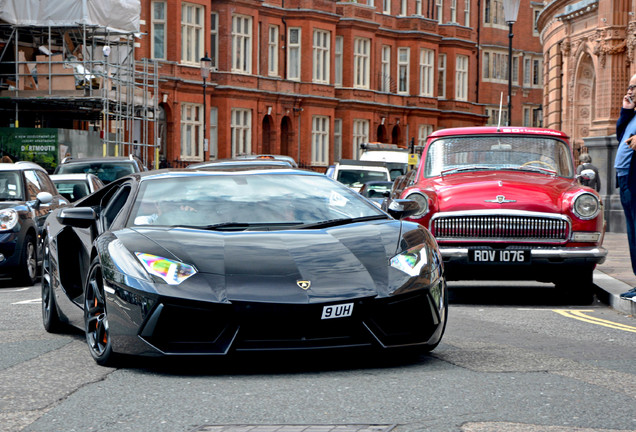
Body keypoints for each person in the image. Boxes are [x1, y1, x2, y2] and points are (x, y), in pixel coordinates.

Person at [614, 73, 636, 300]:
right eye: (629, 86)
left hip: (633, 180)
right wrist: (626, 111)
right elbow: (621, 137)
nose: (629, 90)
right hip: (625, 179)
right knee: (633, 234)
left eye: (633, 87)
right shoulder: (633, 116)